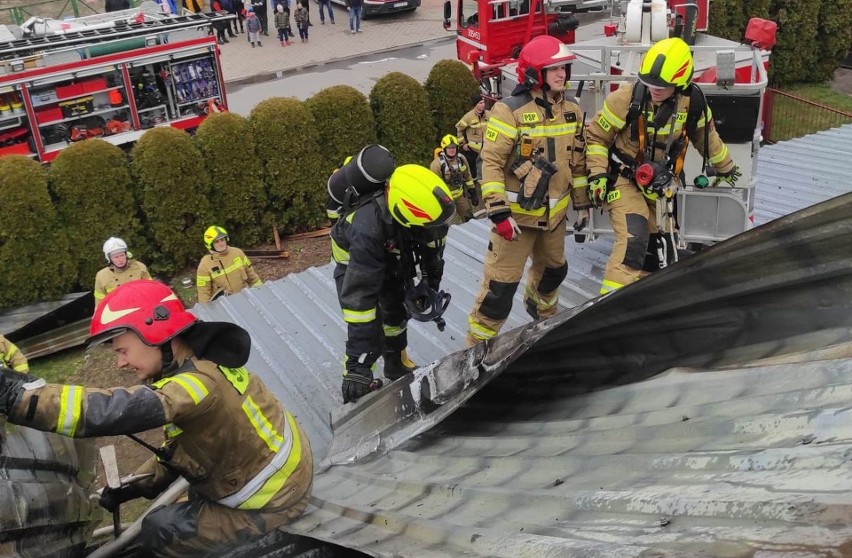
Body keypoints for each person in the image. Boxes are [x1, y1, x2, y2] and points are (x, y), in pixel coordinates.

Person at [0, 280, 313, 557]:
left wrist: (19, 397)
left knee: (160, 529)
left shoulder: (194, 385)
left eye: (122, 350)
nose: (121, 363)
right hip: (274, 478)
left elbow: (109, 411)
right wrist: (134, 487)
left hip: (275, 503)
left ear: (154, 331)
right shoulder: (201, 362)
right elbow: (186, 449)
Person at [585, 37, 741, 295]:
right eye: (650, 84)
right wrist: (598, 175)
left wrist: (727, 168)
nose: (654, 90)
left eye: (663, 86)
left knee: (658, 249)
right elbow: (597, 138)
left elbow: (707, 139)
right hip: (623, 179)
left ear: (681, 84)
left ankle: (640, 302)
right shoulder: (625, 99)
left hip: (661, 186)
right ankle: (606, 309)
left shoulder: (694, 104)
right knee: (633, 240)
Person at [467, 35, 591, 347]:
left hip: (554, 221)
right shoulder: (510, 111)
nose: (562, 74)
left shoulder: (573, 110)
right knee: (499, 290)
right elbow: (491, 161)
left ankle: (544, 319)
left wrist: (582, 205)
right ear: (534, 73)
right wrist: (498, 212)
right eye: (554, 69)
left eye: (564, 68)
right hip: (516, 224)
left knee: (553, 274)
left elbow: (576, 163)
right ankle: (474, 349)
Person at [331, 160, 455, 404]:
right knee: (369, 320)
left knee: (396, 314)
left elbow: (433, 251)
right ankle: (356, 377)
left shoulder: (429, 217)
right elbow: (359, 300)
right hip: (356, 262)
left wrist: (430, 283)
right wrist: (359, 365)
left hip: (392, 250)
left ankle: (396, 364)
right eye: (430, 228)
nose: (437, 231)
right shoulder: (367, 229)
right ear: (404, 217)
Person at [196, 226, 263, 303]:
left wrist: (261, 292)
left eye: (222, 240)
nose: (221, 244)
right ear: (210, 245)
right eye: (216, 242)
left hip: (244, 298)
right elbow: (203, 293)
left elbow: (252, 277)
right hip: (223, 305)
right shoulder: (205, 264)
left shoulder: (237, 253)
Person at [430, 134, 477, 223]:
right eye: (449, 148)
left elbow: (468, 176)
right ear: (444, 149)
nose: (452, 150)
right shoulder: (436, 164)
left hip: (460, 196)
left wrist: (473, 192)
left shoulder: (461, 159)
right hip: (444, 199)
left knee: (469, 218)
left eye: (454, 147)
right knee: (442, 223)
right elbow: (434, 186)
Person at [94, 237, 152, 305]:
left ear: (126, 254)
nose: (120, 259)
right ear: (109, 258)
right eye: (116, 257)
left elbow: (151, 290)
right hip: (117, 313)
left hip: (141, 308)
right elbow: (99, 304)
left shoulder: (140, 268)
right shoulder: (101, 276)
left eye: (122, 255)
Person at [456, 94, 490, 180]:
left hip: (487, 147)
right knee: (473, 170)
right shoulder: (468, 116)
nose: (483, 105)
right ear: (475, 105)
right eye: (480, 103)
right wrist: (462, 144)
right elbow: (459, 129)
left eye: (483, 102)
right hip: (473, 150)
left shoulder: (489, 114)